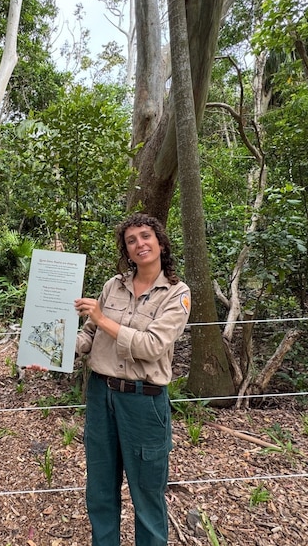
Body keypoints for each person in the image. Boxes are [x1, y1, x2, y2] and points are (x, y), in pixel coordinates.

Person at [74, 213, 190, 546]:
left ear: (160, 242)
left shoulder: (176, 293)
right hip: (101, 396)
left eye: (145, 236)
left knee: (147, 494)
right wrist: (53, 351)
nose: (139, 244)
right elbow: (89, 336)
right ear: (126, 250)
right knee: (99, 489)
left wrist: (100, 317)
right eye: (131, 240)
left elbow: (152, 346)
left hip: (144, 401)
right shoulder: (114, 286)